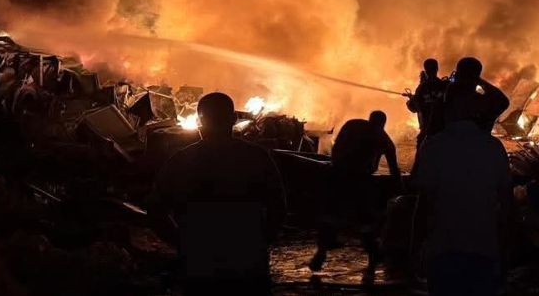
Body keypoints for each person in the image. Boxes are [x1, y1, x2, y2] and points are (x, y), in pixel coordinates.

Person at [148, 92, 286, 294]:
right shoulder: (256, 157)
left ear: (198, 121)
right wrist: (260, 241)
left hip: (200, 264)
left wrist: (182, 242)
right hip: (246, 263)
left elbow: (155, 209)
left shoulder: (181, 160)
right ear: (233, 120)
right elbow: (278, 206)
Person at [411, 92, 512, 296]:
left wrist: (413, 252)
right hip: (484, 249)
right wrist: (509, 252)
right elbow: (508, 206)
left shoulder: (433, 146)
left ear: (447, 112)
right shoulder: (494, 148)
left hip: (443, 250)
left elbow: (421, 204)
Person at [310, 110, 401, 272]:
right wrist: (401, 191)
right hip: (360, 180)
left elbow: (336, 147)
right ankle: (373, 254)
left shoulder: (352, 124)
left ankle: (321, 253)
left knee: (331, 215)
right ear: (382, 124)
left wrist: (336, 165)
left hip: (338, 175)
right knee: (365, 219)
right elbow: (394, 170)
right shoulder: (384, 139)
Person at [443, 56, 510, 133]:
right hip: (477, 141)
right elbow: (504, 102)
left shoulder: (450, 93)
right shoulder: (482, 103)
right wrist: (478, 80)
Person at [406, 58, 448, 146]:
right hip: (443, 129)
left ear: (426, 70)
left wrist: (410, 100)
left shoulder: (422, 88)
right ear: (437, 68)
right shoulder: (445, 85)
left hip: (426, 131)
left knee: (421, 154)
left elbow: (414, 108)